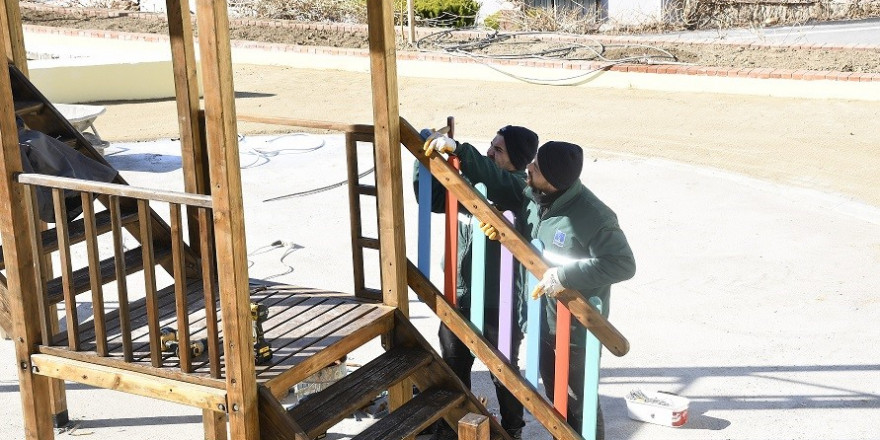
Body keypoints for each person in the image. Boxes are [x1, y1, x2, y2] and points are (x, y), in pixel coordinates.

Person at [482, 141, 636, 439]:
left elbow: (623, 264)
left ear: (552, 179)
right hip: (544, 323)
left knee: (580, 407)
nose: (528, 166)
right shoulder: (535, 196)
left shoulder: (594, 217)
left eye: (536, 167)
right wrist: (504, 228)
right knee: (558, 403)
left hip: (576, 334)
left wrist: (565, 276)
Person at [414, 125, 539, 440]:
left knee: (503, 373)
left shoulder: (517, 187)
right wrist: (422, 157)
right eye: (491, 146)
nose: (489, 153)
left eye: (499, 150)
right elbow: (431, 199)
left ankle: (512, 429)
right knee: (453, 365)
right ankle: (451, 421)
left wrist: (459, 148)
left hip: (500, 301)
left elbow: (495, 178)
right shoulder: (472, 180)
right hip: (460, 293)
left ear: (517, 161)